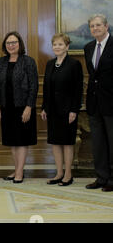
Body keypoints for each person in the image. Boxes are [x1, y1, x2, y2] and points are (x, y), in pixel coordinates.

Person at [0, 31, 38, 184]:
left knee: (22, 140)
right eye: (8, 43)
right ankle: (16, 169)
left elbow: (34, 86)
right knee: (11, 140)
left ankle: (19, 172)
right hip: (6, 107)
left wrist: (29, 107)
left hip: (22, 107)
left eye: (14, 42)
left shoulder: (28, 61)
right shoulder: (1, 62)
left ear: (20, 44)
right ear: (5, 46)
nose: (11, 45)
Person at [40, 33, 83, 186]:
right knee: (55, 142)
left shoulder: (74, 64)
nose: (57, 47)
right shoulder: (50, 64)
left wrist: (74, 110)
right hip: (52, 110)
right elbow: (46, 88)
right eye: (55, 45)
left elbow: (78, 90)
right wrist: (44, 107)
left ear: (67, 46)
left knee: (67, 142)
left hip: (68, 111)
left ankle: (68, 174)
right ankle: (59, 173)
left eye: (60, 44)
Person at [84, 14, 113, 192]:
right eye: (92, 26)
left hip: (111, 102)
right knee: (98, 143)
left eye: (98, 25)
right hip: (94, 103)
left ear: (106, 26)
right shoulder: (88, 48)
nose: (95, 28)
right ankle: (101, 177)